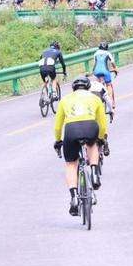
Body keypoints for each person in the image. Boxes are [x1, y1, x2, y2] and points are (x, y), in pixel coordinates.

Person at [54, 75, 107, 216]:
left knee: (71, 164)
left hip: (71, 129)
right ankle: (94, 173)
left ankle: (74, 198)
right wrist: (100, 138)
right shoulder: (95, 98)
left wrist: (58, 141)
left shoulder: (65, 100)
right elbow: (102, 124)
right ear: (88, 87)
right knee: (92, 144)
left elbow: (58, 126)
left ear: (73, 88)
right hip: (90, 126)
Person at [92, 42, 118, 110]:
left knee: (98, 85)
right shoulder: (107, 53)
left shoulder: (95, 54)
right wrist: (115, 68)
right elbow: (112, 62)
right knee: (109, 85)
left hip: (96, 71)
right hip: (105, 71)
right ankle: (111, 103)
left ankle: (97, 98)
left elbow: (94, 64)